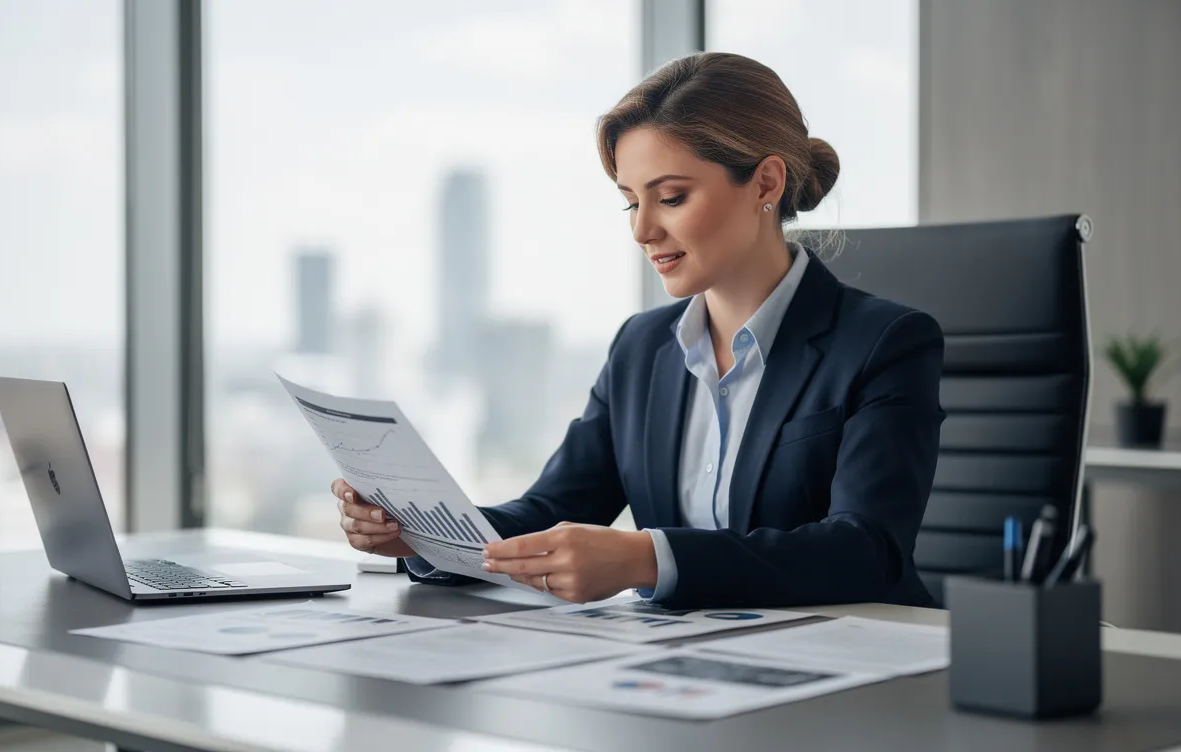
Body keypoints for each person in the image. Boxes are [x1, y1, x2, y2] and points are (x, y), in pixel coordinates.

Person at [330, 52, 945, 608]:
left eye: (671, 197)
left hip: (851, 671)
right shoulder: (642, 347)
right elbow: (553, 510)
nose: (641, 231)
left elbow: (864, 551)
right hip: (684, 675)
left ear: (765, 183)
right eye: (631, 201)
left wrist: (646, 557)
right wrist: (424, 532)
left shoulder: (884, 343)